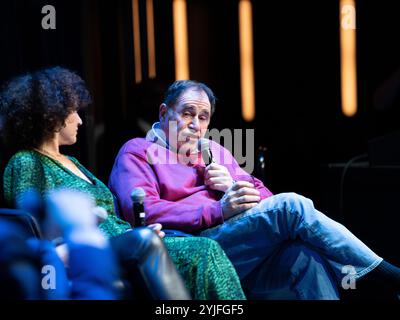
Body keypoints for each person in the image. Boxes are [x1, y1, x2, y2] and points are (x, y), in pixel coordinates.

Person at [109, 79, 400, 299]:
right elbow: (142, 212)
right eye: (187, 113)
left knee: (304, 258)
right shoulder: (138, 151)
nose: (195, 125)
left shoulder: (213, 151)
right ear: (163, 113)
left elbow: (266, 199)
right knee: (293, 206)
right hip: (192, 247)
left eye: (203, 117)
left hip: (239, 244)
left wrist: (232, 185)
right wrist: (217, 210)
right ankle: (388, 277)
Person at [0, 67, 245, 300]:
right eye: (74, 111)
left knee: (203, 246)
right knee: (204, 250)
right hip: (96, 247)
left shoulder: (73, 162)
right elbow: (31, 225)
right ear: (52, 115)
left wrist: (136, 232)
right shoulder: (26, 161)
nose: (80, 120)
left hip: (125, 239)